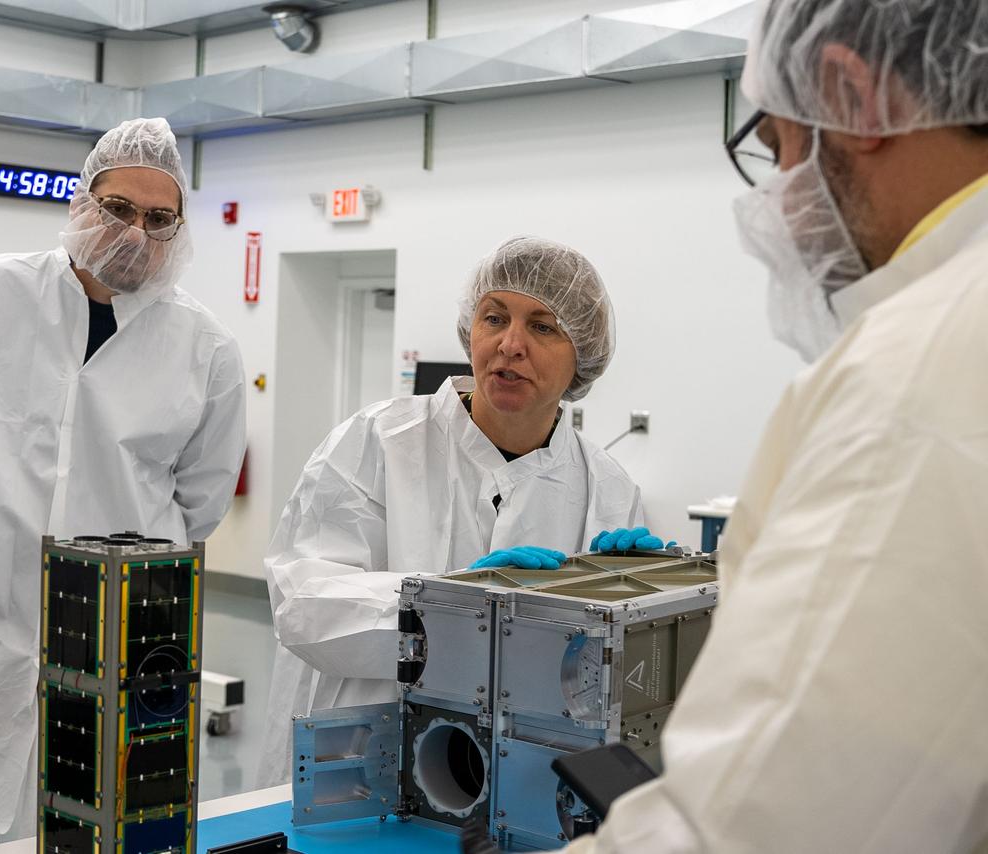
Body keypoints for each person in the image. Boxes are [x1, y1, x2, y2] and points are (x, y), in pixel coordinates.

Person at [560, 1, 988, 851]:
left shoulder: (922, 372)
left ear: (849, 94)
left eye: (778, 147)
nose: (782, 204)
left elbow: (758, 822)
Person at [0, 117, 247, 846]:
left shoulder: (206, 347)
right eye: (118, 208)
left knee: (92, 829)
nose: (135, 232)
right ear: (81, 204)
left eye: (160, 219)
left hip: (115, 642)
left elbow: (201, 504)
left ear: (180, 231)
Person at [259, 236, 673, 786]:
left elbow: (611, 679)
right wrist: (448, 608)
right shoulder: (377, 442)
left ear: (584, 356)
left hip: (521, 781)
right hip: (360, 767)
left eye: (543, 326)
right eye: (494, 317)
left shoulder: (610, 490)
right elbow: (303, 604)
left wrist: (648, 604)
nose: (510, 344)